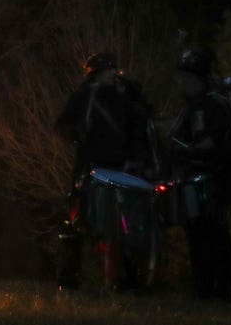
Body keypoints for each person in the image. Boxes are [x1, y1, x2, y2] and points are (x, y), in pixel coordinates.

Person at [54, 52, 155, 291]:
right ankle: (70, 280)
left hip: (122, 171)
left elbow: (143, 124)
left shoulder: (126, 98)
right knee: (77, 224)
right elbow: (62, 126)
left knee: (122, 229)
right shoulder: (84, 97)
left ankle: (124, 280)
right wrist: (78, 135)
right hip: (90, 169)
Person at [166, 47, 231, 300]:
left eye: (189, 77)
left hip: (213, 180)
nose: (184, 82)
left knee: (212, 234)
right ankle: (204, 288)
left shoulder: (211, 105)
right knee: (197, 234)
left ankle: (220, 288)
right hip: (195, 181)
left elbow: (212, 143)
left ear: (200, 79)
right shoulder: (192, 107)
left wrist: (189, 151)